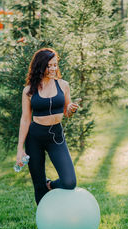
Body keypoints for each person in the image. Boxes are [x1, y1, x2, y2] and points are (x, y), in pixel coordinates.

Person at [16, 48, 80, 205]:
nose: (53, 69)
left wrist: (71, 109)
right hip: (35, 138)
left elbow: (67, 112)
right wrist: (20, 149)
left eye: (55, 65)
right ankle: (44, 222)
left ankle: (50, 184)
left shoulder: (63, 85)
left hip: (56, 137)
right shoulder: (29, 90)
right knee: (38, 186)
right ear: (40, 66)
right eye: (49, 65)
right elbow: (25, 119)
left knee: (69, 182)